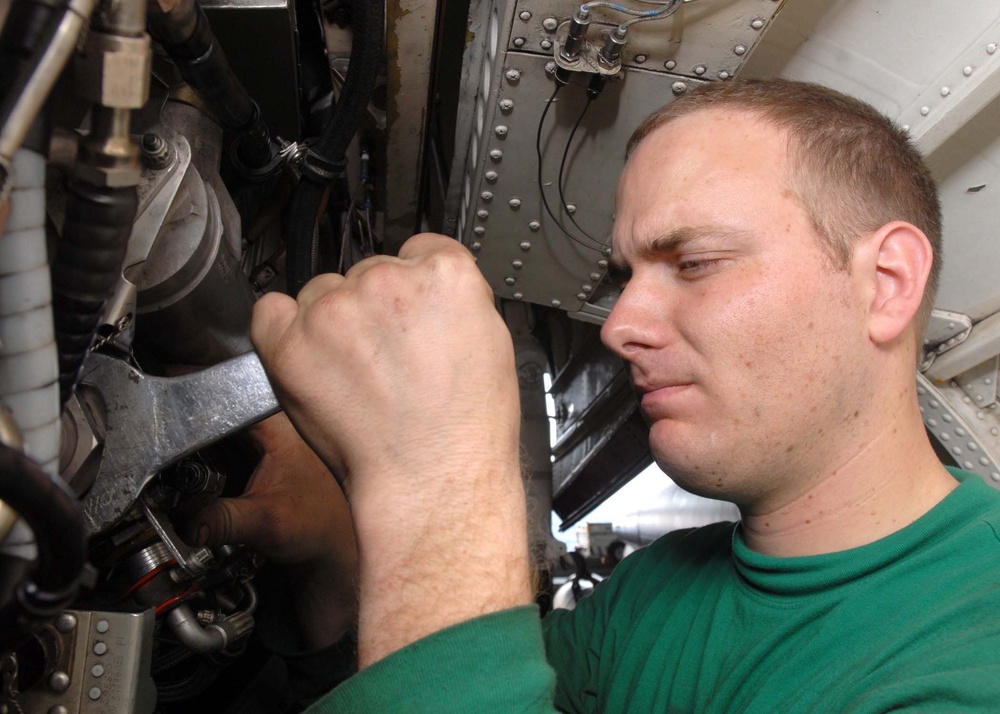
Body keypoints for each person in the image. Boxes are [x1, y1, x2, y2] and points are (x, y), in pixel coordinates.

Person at [199, 78, 1000, 712]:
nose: (619, 327)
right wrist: (344, 553)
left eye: (693, 262)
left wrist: (439, 489)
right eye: (625, 277)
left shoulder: (973, 651)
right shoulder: (659, 586)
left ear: (886, 284)